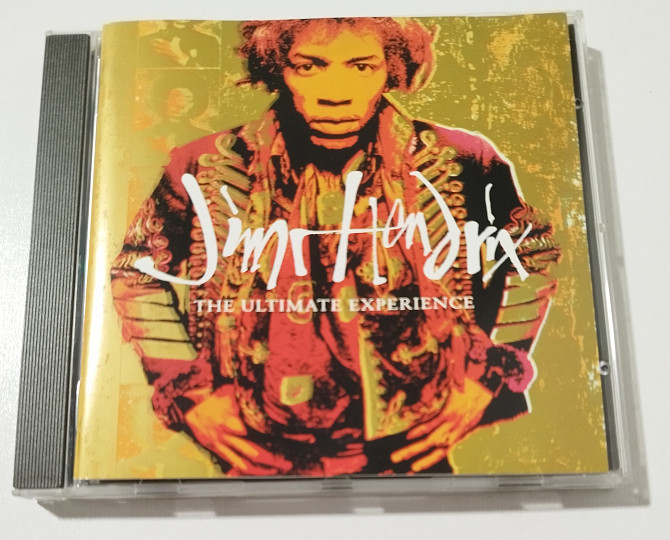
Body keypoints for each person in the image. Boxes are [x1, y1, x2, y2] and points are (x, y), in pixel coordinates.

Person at [111, 17, 559, 476]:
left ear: (392, 68)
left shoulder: (460, 157)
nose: (336, 93)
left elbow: (534, 253)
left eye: (362, 67)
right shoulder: (205, 163)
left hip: (411, 441)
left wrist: (487, 380)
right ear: (278, 68)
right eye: (309, 66)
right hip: (256, 442)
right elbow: (135, 271)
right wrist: (189, 393)